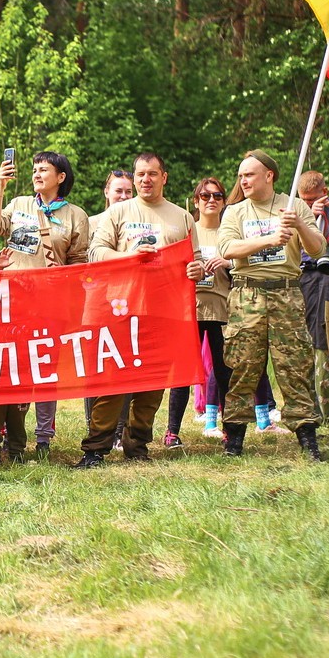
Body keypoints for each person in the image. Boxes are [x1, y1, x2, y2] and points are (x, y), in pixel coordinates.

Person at [78, 152, 205, 468]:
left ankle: (137, 446)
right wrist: (130, 255)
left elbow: (197, 259)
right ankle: (96, 449)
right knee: (113, 381)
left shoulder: (182, 217)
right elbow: (96, 252)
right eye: (140, 175)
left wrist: (197, 270)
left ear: (164, 177)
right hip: (121, 308)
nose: (145, 179)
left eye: (152, 173)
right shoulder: (119, 212)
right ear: (134, 179)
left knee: (153, 385)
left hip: (165, 311)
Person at [217, 149, 327, 460]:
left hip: (286, 295)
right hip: (247, 296)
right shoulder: (235, 212)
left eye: (249, 174)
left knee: (295, 367)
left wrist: (299, 226)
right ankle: (234, 438)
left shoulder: (293, 208)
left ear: (269, 175)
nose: (243, 180)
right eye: (241, 175)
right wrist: (269, 240)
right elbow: (228, 248)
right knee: (242, 365)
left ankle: (307, 436)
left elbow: (318, 248)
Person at [0, 150, 89, 461]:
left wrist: (65, 279)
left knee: (44, 369)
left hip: (51, 302)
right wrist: (1, 185)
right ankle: (8, 439)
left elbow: (80, 263)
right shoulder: (19, 205)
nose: (37, 173)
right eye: (34, 169)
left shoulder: (76, 215)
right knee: (10, 367)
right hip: (14, 299)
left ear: (61, 177)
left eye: (44, 169)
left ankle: (44, 438)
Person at [164, 178, 234, 447]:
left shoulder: (229, 232)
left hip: (221, 309)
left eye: (217, 196)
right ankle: (172, 431)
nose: (211, 200)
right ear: (196, 202)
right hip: (189, 310)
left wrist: (228, 263)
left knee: (224, 371)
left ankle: (231, 430)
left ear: (224, 201)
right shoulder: (187, 230)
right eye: (205, 196)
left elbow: (243, 266)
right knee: (183, 373)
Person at [83, 169, 134, 444]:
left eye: (128, 191)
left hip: (127, 302)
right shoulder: (91, 223)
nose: (124, 196)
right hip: (94, 302)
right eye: (119, 190)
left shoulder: (138, 223)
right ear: (106, 192)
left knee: (122, 366)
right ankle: (95, 428)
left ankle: (119, 429)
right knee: (94, 367)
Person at [296, 170, 329, 425]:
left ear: (323, 193)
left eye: (312, 200)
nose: (308, 205)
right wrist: (305, 215)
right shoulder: (293, 211)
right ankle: (309, 406)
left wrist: (326, 213)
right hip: (301, 279)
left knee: (325, 343)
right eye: (303, 200)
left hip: (327, 280)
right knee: (304, 344)